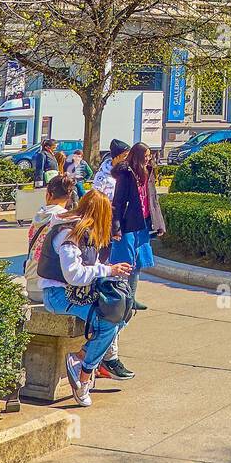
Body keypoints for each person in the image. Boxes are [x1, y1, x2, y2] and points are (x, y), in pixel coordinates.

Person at [36, 189, 134, 407]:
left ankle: (81, 356)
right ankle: (84, 374)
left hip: (76, 293)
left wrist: (109, 270)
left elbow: (87, 268)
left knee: (124, 310)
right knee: (108, 322)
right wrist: (108, 271)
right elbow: (74, 274)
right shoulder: (69, 234)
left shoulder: (84, 231)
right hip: (58, 295)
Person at [111, 142, 166, 327]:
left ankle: (131, 298)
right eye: (146, 155)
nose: (149, 158)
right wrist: (116, 228)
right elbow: (117, 202)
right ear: (138, 156)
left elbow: (153, 199)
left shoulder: (148, 172)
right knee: (125, 263)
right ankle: (122, 299)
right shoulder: (126, 175)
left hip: (142, 223)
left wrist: (159, 223)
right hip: (128, 224)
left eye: (150, 155)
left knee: (138, 263)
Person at [24, 175, 75, 302]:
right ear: (69, 196)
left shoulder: (38, 216)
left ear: (49, 194)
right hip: (51, 289)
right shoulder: (64, 219)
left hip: (31, 285)